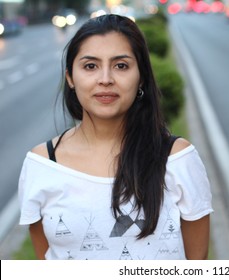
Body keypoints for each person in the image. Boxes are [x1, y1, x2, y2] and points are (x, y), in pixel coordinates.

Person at [18, 14, 213, 260]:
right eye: (90, 66)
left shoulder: (177, 159)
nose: (106, 79)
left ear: (140, 76)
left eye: (121, 66)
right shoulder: (43, 163)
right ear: (70, 78)